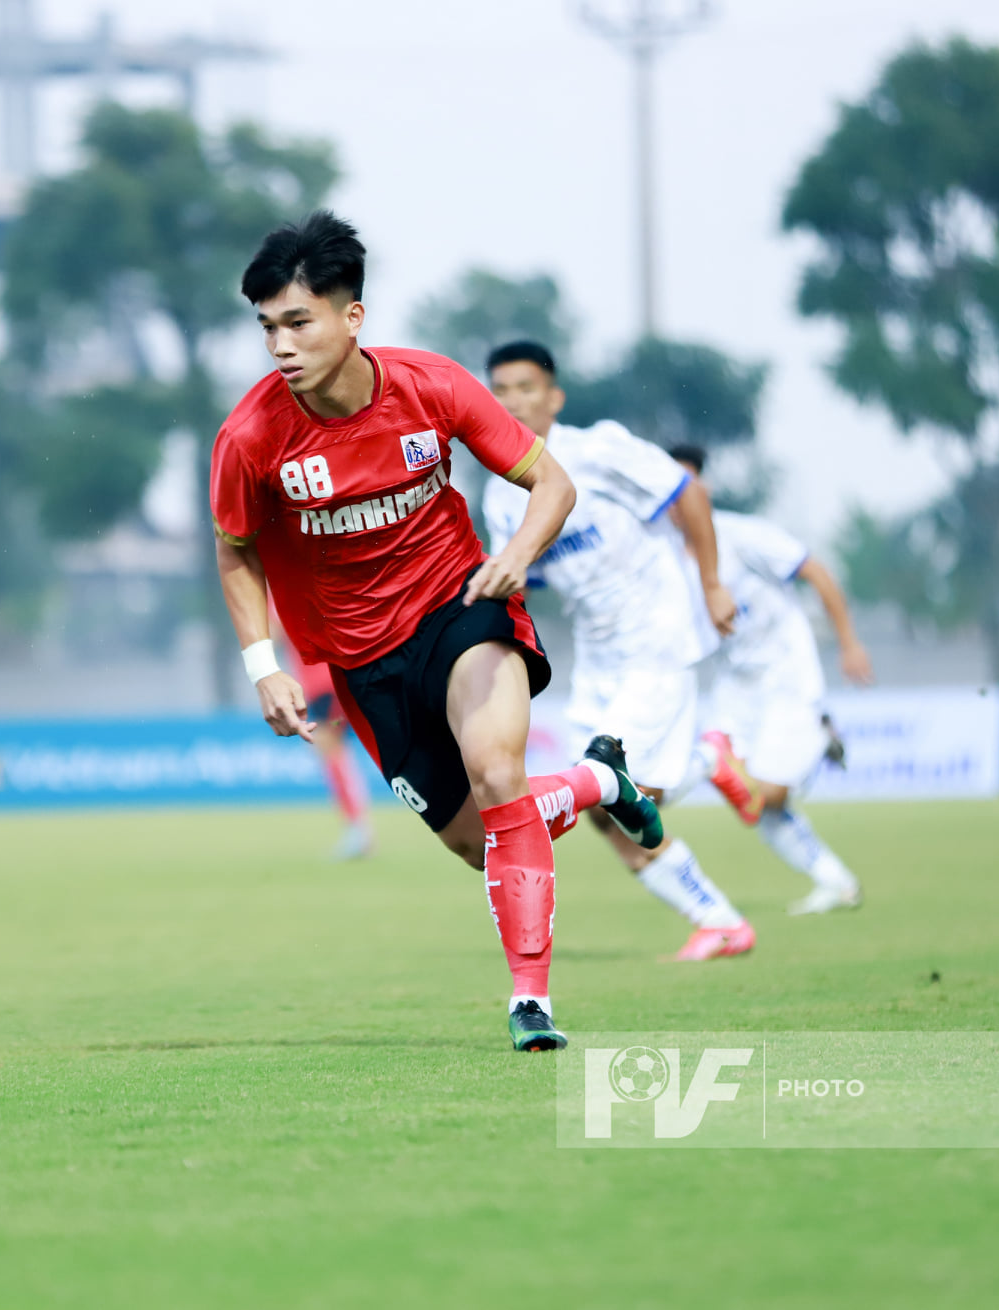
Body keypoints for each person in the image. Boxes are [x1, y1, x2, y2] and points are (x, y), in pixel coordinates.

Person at [211, 212, 664, 1052]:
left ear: (352, 319)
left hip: (462, 609)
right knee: (476, 845)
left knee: (498, 773)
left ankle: (531, 1002)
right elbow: (235, 549)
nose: (280, 344)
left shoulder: (434, 386)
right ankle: (600, 783)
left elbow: (552, 484)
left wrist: (518, 557)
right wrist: (261, 665)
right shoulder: (250, 438)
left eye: (298, 321)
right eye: (267, 326)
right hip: (361, 662)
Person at [483, 341, 758, 962]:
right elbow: (517, 582)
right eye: (500, 389)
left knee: (604, 782)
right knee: (613, 812)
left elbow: (689, 493)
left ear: (554, 396)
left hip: (656, 633)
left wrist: (712, 583)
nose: (513, 400)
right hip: (598, 654)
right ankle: (719, 919)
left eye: (526, 387)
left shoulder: (598, 449)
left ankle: (704, 763)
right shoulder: (500, 492)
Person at [667, 445, 869, 914]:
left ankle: (818, 735)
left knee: (768, 791)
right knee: (755, 805)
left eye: (685, 488)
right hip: (734, 686)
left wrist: (849, 643)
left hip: (787, 677)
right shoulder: (666, 561)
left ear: (704, 491)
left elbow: (816, 572)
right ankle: (837, 882)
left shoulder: (744, 536)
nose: (676, 500)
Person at [276, 624, 373, 860]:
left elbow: (274, 631)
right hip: (318, 683)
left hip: (326, 682)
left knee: (329, 749)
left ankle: (359, 831)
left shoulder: (273, 595)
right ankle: (358, 829)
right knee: (330, 750)